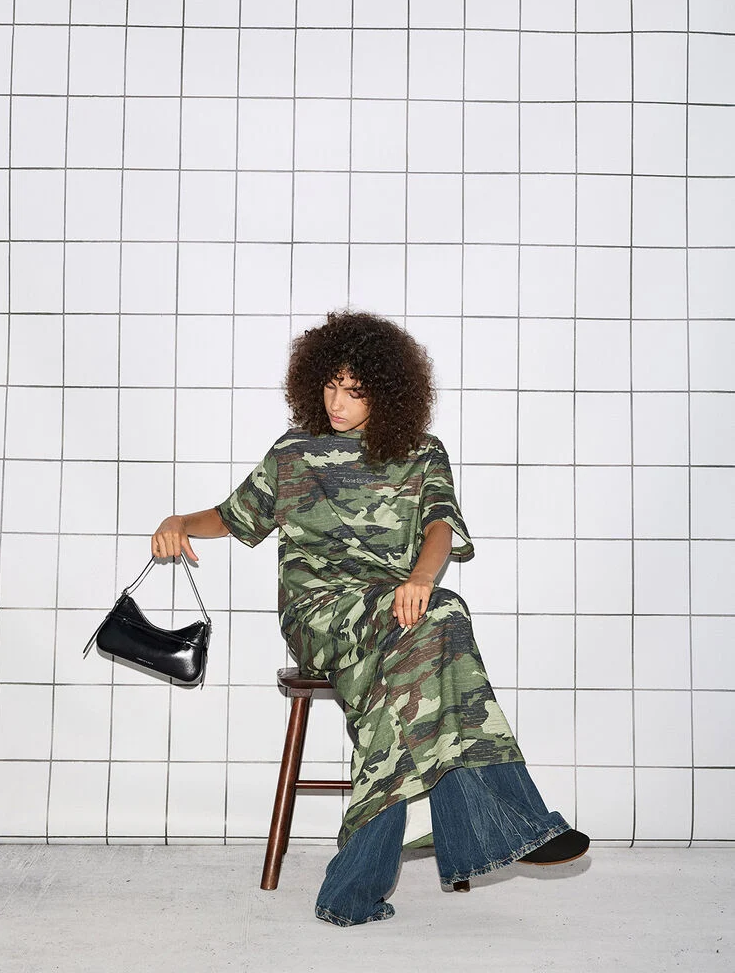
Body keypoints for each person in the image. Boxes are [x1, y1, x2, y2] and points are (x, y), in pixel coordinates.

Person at [151, 310, 589, 927]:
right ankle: (508, 824)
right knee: (444, 616)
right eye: (330, 386)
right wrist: (177, 522)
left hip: (397, 617)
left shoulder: (422, 454)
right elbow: (230, 517)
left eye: (354, 391)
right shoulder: (294, 452)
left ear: (387, 392)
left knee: (412, 670)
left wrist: (420, 579)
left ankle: (353, 890)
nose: (337, 402)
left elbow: (440, 526)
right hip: (318, 614)